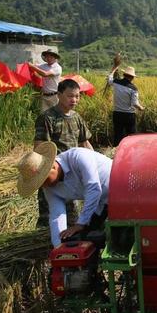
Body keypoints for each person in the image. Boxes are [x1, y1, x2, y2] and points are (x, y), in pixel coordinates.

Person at [17, 141, 111, 247]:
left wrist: (80, 224)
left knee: (121, 236)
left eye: (44, 180)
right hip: (101, 204)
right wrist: (59, 246)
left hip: (123, 190)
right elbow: (57, 215)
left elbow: (94, 189)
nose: (44, 186)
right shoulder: (49, 187)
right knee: (88, 238)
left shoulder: (78, 157)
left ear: (52, 167)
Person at [34, 78, 93, 227]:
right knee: (49, 219)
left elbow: (85, 143)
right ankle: (45, 248)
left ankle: (68, 248)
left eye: (77, 96)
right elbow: (40, 147)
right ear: (59, 95)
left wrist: (96, 163)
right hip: (53, 173)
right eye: (70, 96)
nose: (74, 100)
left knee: (72, 218)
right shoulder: (47, 118)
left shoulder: (77, 118)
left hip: (71, 175)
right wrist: (46, 175)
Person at [107, 65, 145, 146]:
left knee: (118, 134)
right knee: (131, 135)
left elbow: (109, 79)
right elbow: (134, 103)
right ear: (132, 77)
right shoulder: (133, 88)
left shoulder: (116, 82)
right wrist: (141, 108)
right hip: (129, 115)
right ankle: (130, 152)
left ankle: (116, 152)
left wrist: (114, 69)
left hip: (117, 114)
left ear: (124, 75)